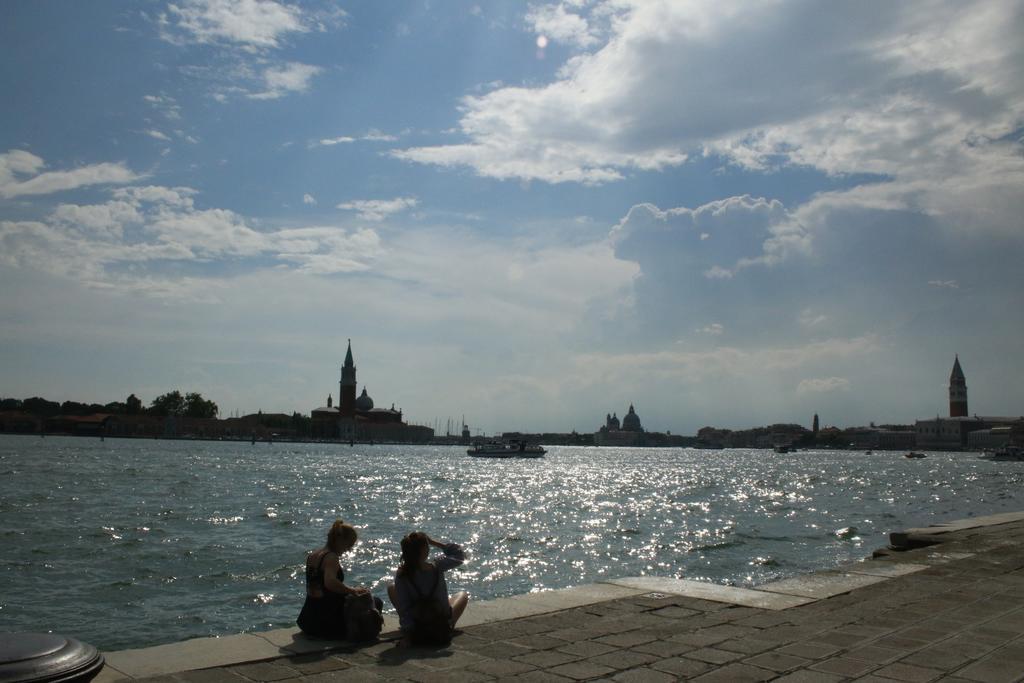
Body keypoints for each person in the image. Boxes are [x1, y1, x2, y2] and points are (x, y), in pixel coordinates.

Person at [297, 519, 382, 638]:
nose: (349, 549)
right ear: (341, 540)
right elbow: (329, 583)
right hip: (326, 622)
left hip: (307, 620)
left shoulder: (313, 555)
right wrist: (352, 591)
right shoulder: (331, 558)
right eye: (349, 545)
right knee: (376, 602)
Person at [387, 532, 468, 646]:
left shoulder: (403, 574)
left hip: (417, 623)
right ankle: (448, 624)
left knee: (391, 588)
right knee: (462, 595)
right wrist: (434, 542)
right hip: (441, 621)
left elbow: (404, 606)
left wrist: (408, 635)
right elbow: (459, 554)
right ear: (425, 550)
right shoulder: (438, 566)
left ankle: (413, 629)